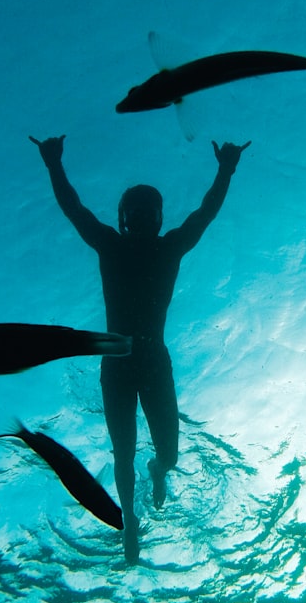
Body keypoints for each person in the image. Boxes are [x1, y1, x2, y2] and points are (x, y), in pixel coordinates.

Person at [30, 134, 251, 563]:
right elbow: (74, 210)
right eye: (135, 210)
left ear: (157, 216)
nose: (142, 215)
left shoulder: (170, 246)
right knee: (123, 450)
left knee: (167, 451)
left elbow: (205, 214)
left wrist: (226, 169)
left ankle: (159, 472)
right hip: (116, 359)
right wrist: (53, 163)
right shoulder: (109, 243)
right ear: (125, 217)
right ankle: (129, 520)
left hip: (153, 358)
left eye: (149, 210)